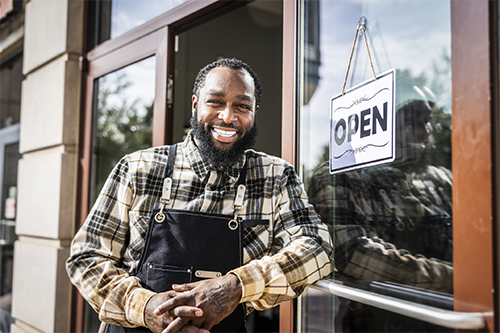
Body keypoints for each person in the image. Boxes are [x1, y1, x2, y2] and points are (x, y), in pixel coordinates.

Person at [66, 58, 334, 333]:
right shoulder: (138, 168)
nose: (228, 117)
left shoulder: (275, 177)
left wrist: (234, 286)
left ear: (254, 112)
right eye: (215, 102)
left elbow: (317, 249)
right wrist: (148, 308)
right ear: (195, 105)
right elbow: (85, 258)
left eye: (242, 106)